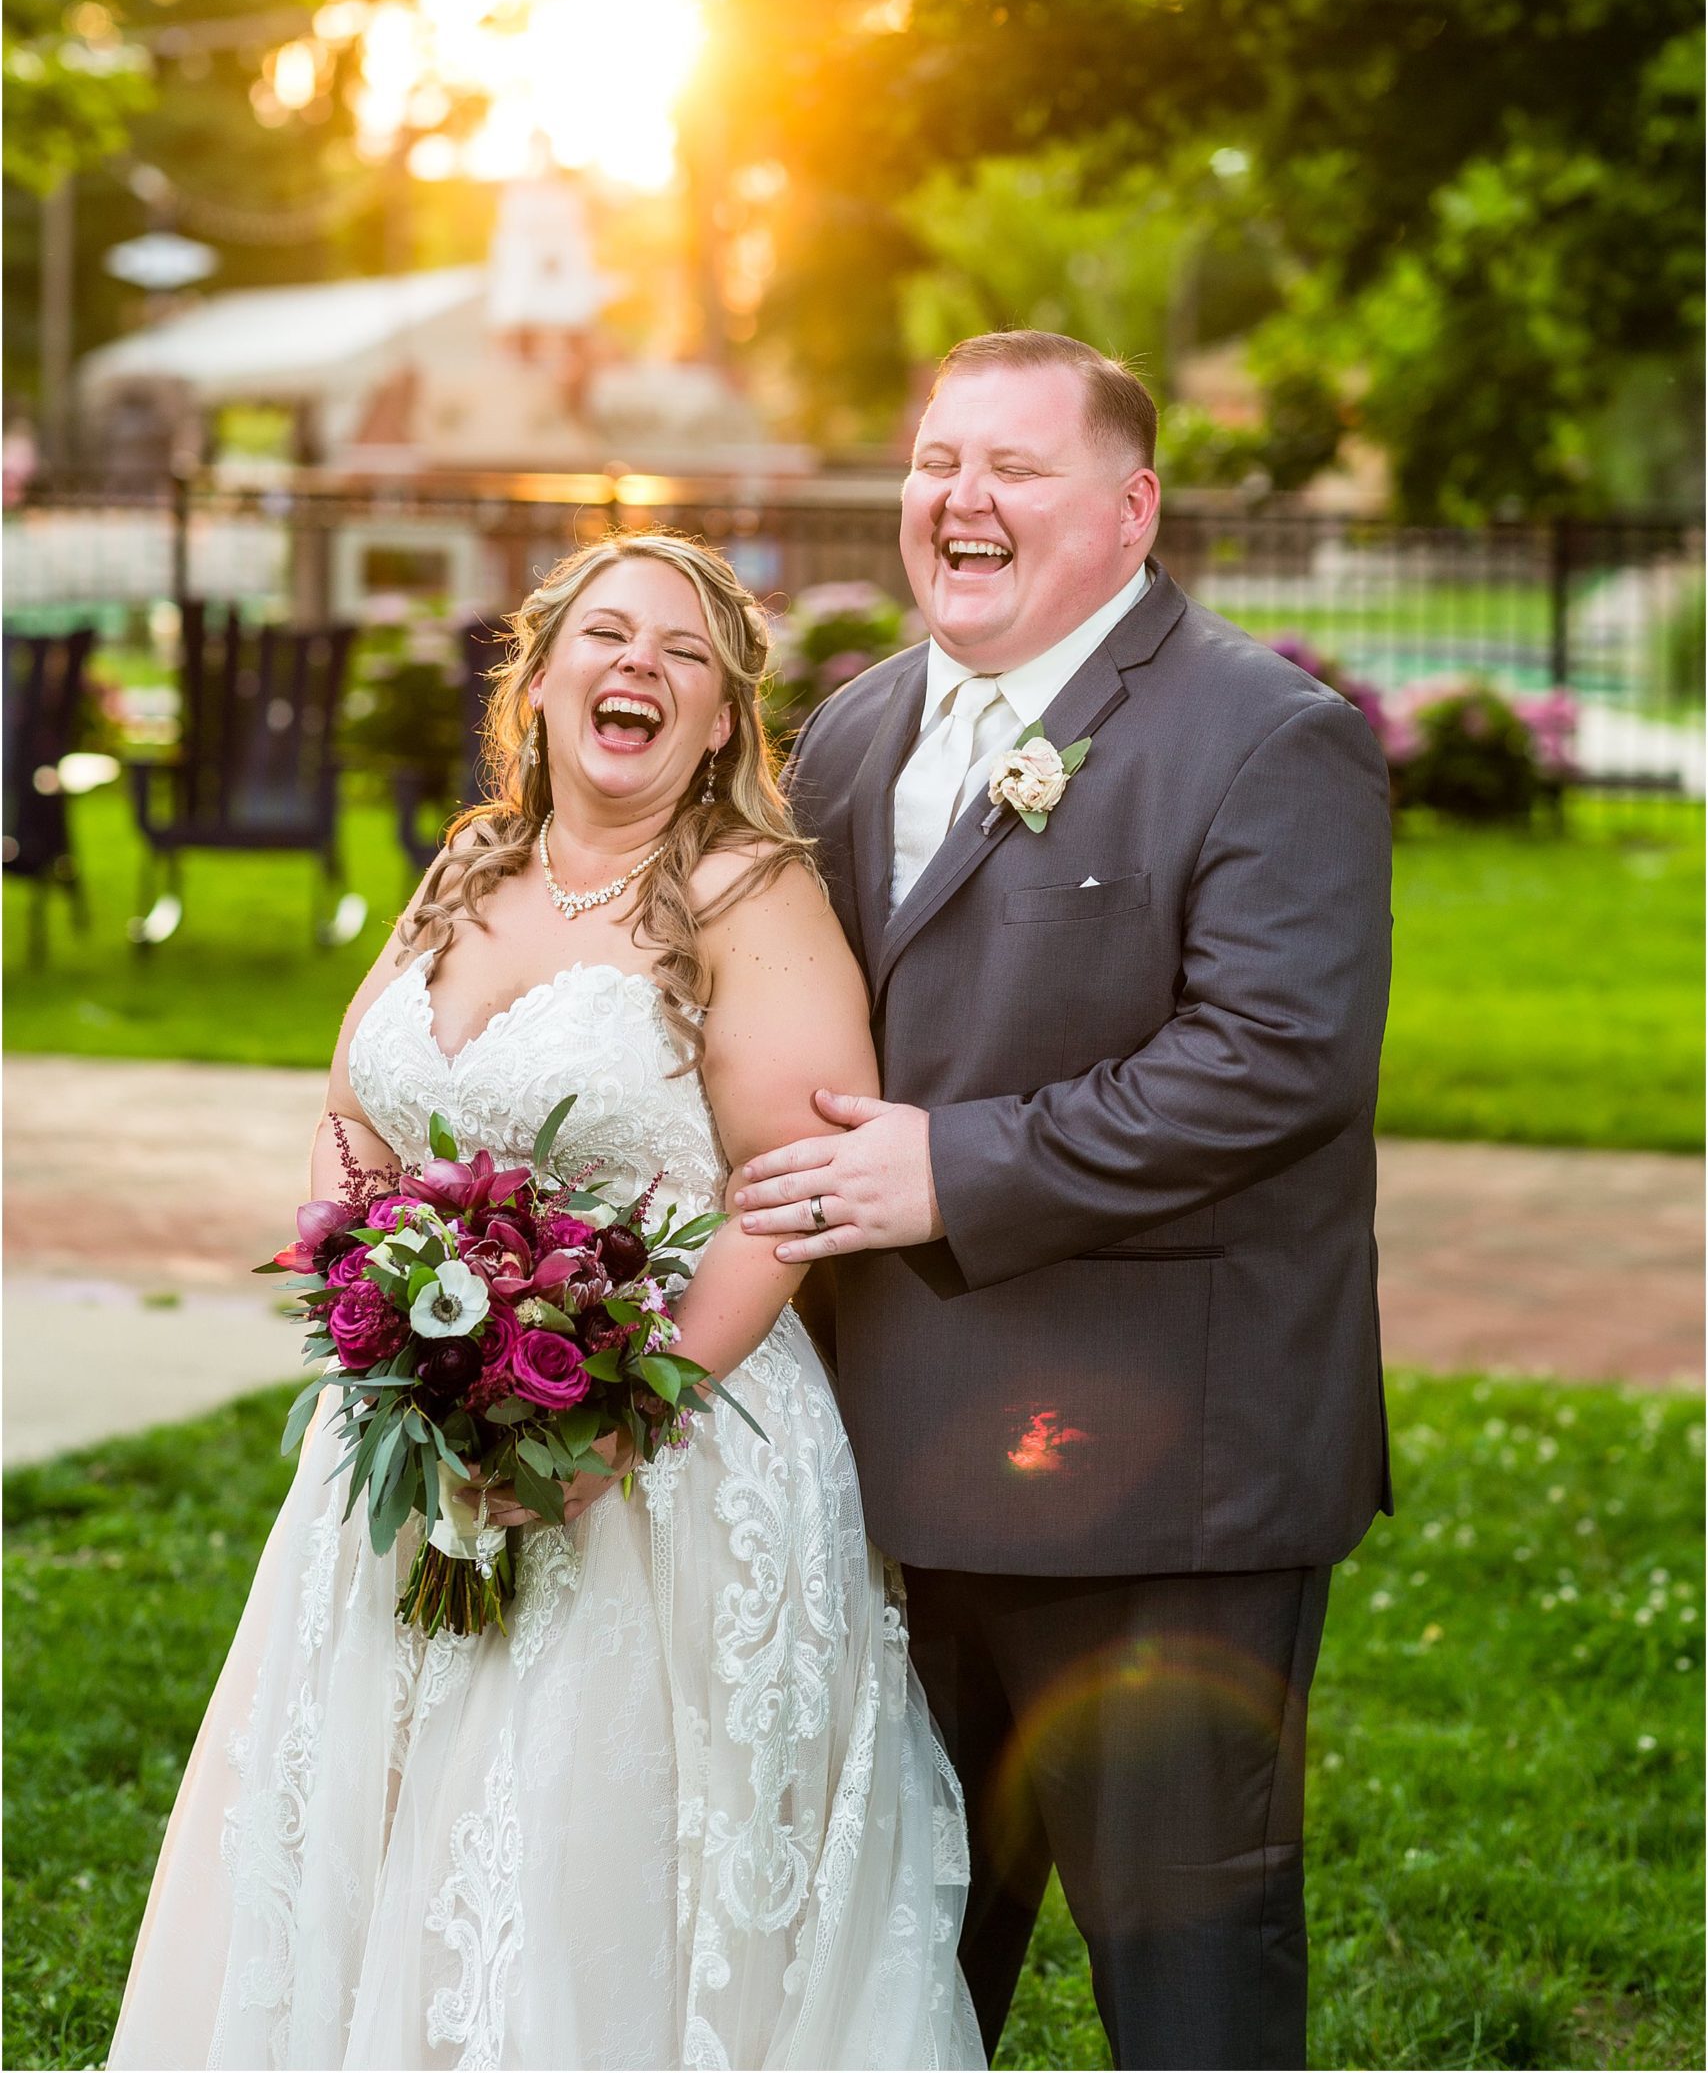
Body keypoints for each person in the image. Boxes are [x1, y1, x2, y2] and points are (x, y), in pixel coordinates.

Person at [109, 534, 982, 2073]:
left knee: (585, 1851)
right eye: (604, 634)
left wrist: (608, 1436)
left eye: (684, 652)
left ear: (722, 722)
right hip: (410, 1445)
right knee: (379, 1827)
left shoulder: (746, 894)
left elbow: (788, 1206)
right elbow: (354, 1111)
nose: (636, 664)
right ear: (543, 676)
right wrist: (378, 1304)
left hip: (666, 1455)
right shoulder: (472, 866)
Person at [736, 330, 1394, 2072]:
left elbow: (1276, 1060)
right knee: (887, 1969)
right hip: (888, 1471)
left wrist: (948, 1168)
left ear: (1132, 506)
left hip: (1162, 1489)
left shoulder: (1268, 738)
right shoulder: (857, 729)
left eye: (1016, 467)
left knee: (1185, 1973)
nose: (962, 498)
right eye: (936, 460)